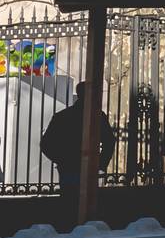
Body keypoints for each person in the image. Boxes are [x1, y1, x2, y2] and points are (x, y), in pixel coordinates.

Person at [40, 81, 114, 229]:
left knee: (68, 204)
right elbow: (110, 141)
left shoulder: (62, 116)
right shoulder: (98, 116)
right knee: (91, 206)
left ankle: (68, 231)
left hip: (68, 169)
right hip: (91, 169)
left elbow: (46, 144)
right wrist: (101, 163)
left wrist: (61, 159)